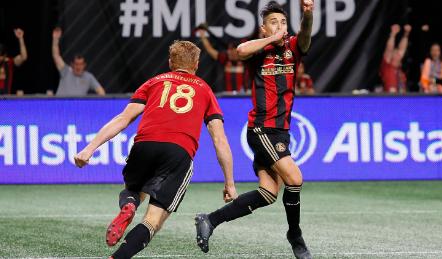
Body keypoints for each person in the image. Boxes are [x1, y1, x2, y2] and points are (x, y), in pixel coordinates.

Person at [74, 40, 237, 259]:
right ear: (196, 65)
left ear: (170, 62)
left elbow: (123, 119)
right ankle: (118, 257)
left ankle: (129, 204)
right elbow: (220, 140)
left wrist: (89, 149)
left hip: (144, 145)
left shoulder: (154, 82)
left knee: (132, 190)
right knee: (154, 220)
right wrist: (229, 183)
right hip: (178, 152)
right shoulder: (205, 90)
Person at [195, 1, 314, 259]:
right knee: (295, 180)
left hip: (281, 132)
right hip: (262, 129)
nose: (280, 26)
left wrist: (308, 14)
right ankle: (295, 235)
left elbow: (305, 36)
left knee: (269, 193)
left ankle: (210, 220)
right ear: (263, 28)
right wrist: (270, 39)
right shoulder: (260, 49)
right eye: (274, 22)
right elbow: (240, 50)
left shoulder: (293, 48)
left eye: (283, 22)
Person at [52, 27, 105, 96]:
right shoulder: (66, 71)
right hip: (60, 105)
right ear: (72, 64)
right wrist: (55, 39)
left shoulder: (89, 77)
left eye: (81, 64)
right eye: (76, 64)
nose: (78, 67)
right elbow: (56, 56)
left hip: (77, 106)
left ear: (84, 65)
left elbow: (101, 92)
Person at [197, 27, 246, 93]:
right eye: (230, 51)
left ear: (238, 52)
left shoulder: (246, 60)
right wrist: (203, 36)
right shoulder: (225, 58)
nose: (232, 54)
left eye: (234, 53)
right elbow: (210, 50)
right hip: (226, 95)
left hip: (243, 95)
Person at [380, 24, 411, 93]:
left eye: (398, 53)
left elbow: (402, 49)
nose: (398, 54)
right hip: (390, 100)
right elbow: (389, 49)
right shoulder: (387, 67)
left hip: (401, 100)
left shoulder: (400, 72)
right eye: (395, 53)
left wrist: (406, 34)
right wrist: (393, 34)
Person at [0, 28, 28, 95]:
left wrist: (21, 38)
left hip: (5, 101)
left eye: (1, 56)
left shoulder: (9, 63)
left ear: (4, 56)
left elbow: (23, 57)